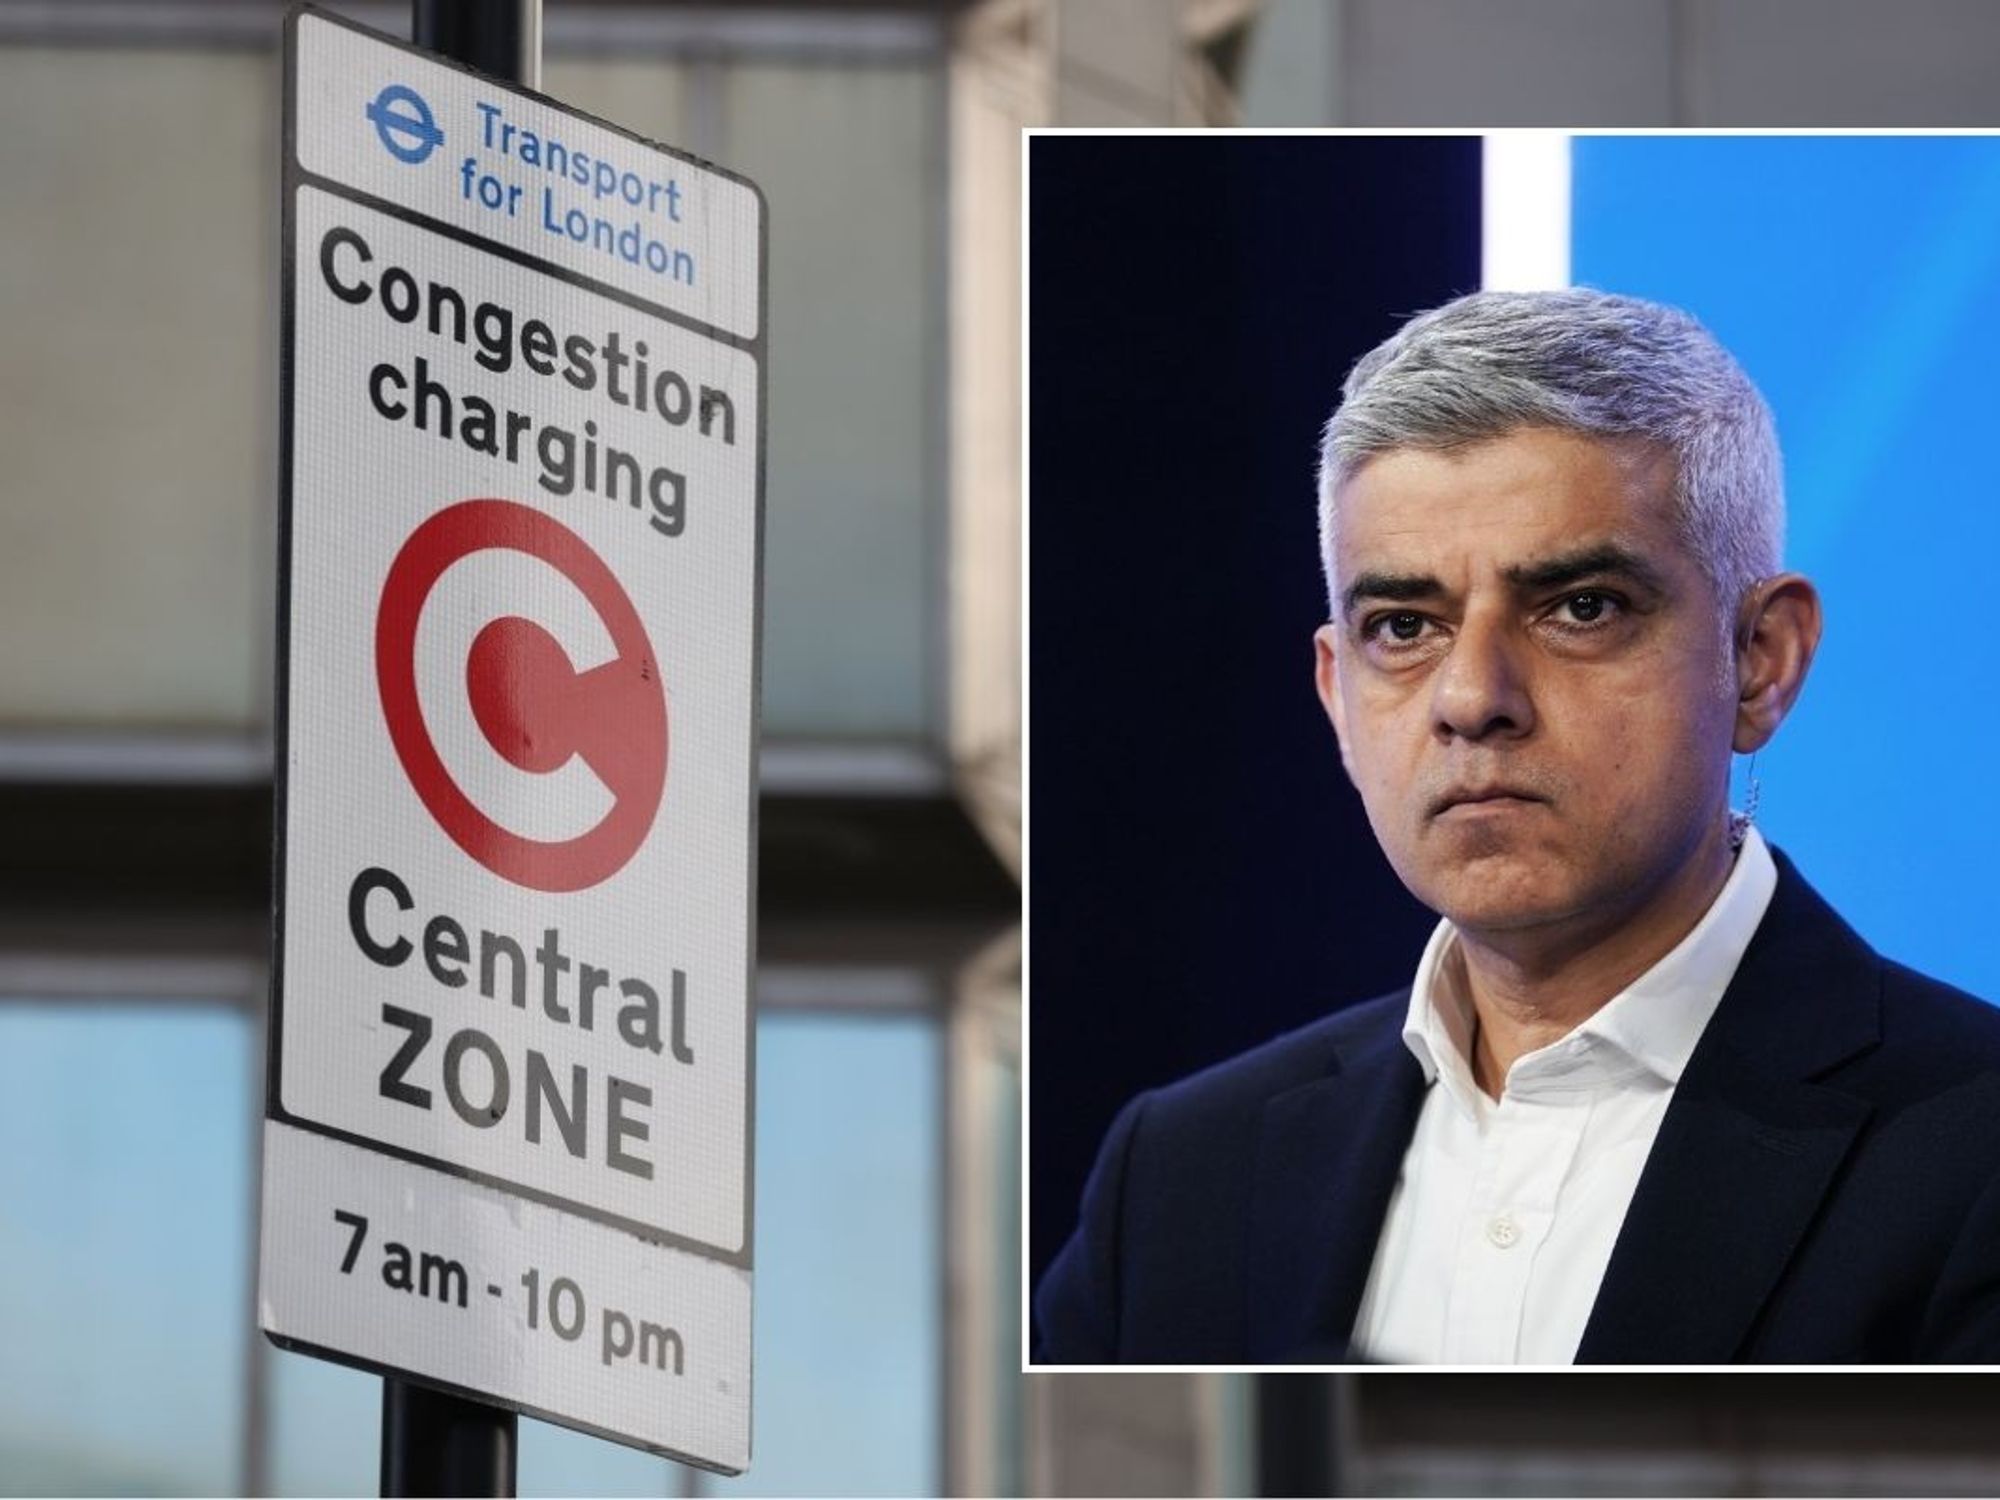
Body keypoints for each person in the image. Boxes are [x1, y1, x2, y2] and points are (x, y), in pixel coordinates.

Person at [1033, 288, 2000, 1364]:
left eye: (1579, 606)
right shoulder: (1178, 1179)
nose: (1469, 696)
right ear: (1334, 696)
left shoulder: (1971, 1150)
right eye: (1402, 627)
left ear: (1759, 658)